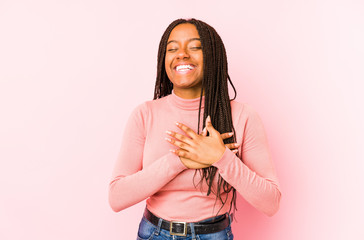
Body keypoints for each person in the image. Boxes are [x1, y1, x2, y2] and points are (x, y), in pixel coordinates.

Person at [108, 18, 282, 240]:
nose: (181, 54)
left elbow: (271, 203)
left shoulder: (243, 116)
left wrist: (221, 157)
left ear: (213, 56)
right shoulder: (145, 114)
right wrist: (180, 161)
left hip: (214, 234)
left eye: (195, 47)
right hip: (154, 233)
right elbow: (116, 198)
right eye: (172, 49)